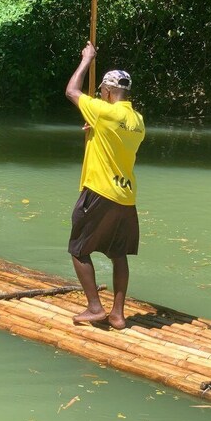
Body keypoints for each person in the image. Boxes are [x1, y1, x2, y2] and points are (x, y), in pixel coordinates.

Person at [64, 42, 145, 330]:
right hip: (125, 196)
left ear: (109, 92)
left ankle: (95, 307)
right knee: (117, 252)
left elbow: (72, 91)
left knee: (78, 249)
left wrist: (86, 59)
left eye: (100, 91)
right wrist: (94, 131)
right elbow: (115, 140)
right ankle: (118, 315)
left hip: (99, 191)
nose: (98, 95)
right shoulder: (137, 120)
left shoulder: (105, 112)